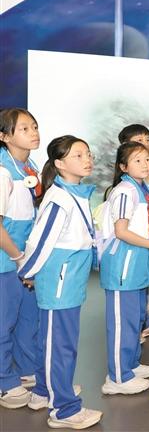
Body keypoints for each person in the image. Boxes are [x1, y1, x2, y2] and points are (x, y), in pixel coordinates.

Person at [17, 135, 102, 429]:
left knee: (53, 342)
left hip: (68, 280)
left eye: (88, 154)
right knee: (60, 346)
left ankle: (44, 391)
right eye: (78, 155)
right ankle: (64, 409)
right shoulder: (60, 198)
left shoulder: (74, 193)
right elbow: (39, 242)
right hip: (60, 283)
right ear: (60, 163)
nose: (87, 159)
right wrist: (28, 273)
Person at [99, 141, 149, 395]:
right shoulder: (125, 191)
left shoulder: (141, 188)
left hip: (137, 264)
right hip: (123, 266)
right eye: (137, 160)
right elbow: (121, 231)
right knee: (122, 323)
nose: (145, 164)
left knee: (135, 318)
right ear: (123, 166)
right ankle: (117, 377)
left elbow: (141, 224)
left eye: (146, 159)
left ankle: (130, 365)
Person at [0, 108, 41, 409]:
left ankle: (26, 371)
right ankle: (4, 381)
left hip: (25, 258)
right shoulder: (3, 172)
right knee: (4, 322)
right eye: (24, 128)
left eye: (34, 126)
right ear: (4, 136)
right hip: (7, 260)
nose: (33, 133)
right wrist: (17, 257)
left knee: (28, 319)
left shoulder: (30, 167)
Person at [117, 124, 149, 337]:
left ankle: (143, 324)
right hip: (128, 253)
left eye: (148, 139)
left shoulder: (145, 180)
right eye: (140, 141)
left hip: (142, 245)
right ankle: (134, 333)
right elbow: (121, 230)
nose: (147, 144)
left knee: (140, 289)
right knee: (128, 300)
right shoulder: (124, 189)